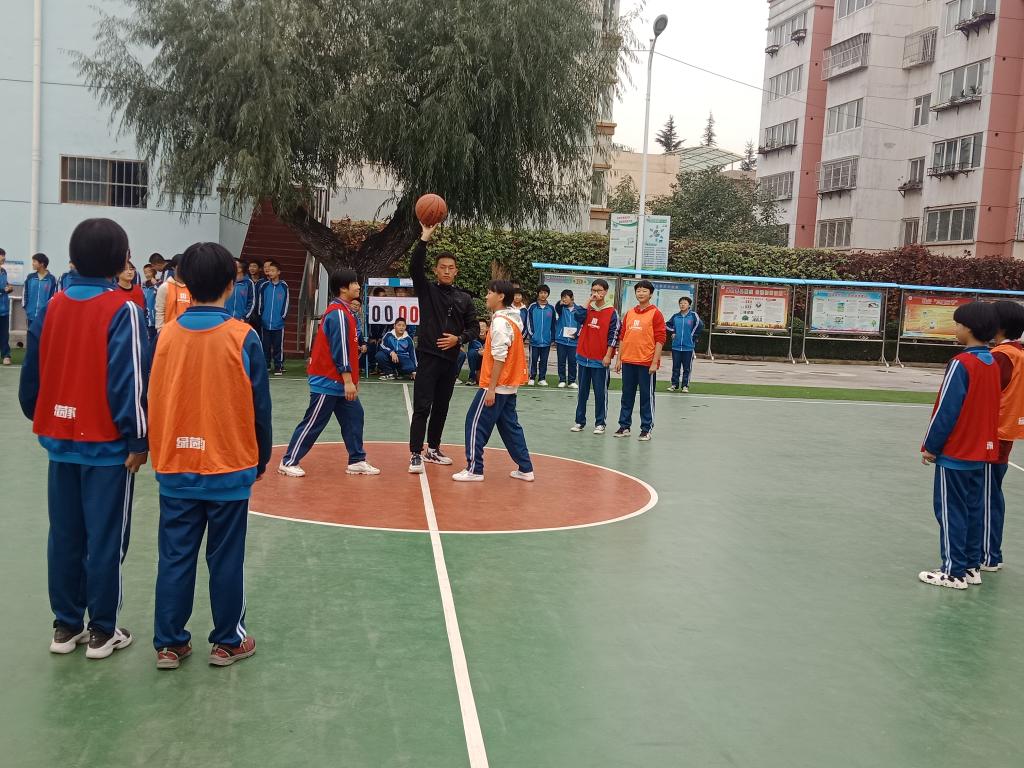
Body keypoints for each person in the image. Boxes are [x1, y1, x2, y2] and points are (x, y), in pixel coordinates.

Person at [18, 218, 150, 658]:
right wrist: (138, 439)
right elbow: (129, 380)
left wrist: (46, 417)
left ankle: (66, 626)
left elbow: (32, 374)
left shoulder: (53, 305)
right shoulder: (123, 309)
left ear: (73, 258)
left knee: (65, 535)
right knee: (106, 538)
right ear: (122, 259)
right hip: (107, 446)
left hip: (61, 443)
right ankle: (103, 630)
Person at [148, 242, 272, 669]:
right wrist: (261, 458)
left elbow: (153, 397)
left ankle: (169, 643)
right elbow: (260, 407)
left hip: (176, 465)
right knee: (226, 557)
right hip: (229, 464)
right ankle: (227, 641)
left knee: (175, 556)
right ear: (230, 283)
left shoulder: (166, 335)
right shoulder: (243, 336)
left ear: (183, 280)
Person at [919, 301, 1001, 590]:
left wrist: (931, 445)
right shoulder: (991, 363)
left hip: (956, 452)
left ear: (968, 328)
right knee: (973, 509)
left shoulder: (961, 363)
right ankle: (970, 567)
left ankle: (952, 572)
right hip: (980, 452)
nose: (955, 329)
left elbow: (946, 409)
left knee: (951, 510)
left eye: (957, 324)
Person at [278, 269, 380, 477]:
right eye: (354, 283)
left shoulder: (346, 312)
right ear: (343, 288)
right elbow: (341, 350)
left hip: (339, 381)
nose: (358, 287)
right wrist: (348, 380)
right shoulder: (339, 314)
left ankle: (356, 460)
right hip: (328, 380)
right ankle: (288, 461)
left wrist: (352, 380)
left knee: (355, 416)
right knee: (314, 422)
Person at [407, 222, 477, 474]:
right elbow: (414, 267)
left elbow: (474, 328)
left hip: (451, 360)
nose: (446, 271)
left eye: (451, 268)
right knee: (422, 406)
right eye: (442, 267)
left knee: (441, 407)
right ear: (436, 270)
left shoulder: (464, 298)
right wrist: (424, 238)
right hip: (428, 357)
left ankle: (433, 449)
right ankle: (416, 454)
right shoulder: (427, 291)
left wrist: (458, 339)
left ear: (456, 271)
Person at [453, 280, 534, 483]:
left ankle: (475, 469)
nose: (486, 296)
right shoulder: (513, 318)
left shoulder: (499, 323)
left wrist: (491, 388)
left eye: (490, 293)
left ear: (501, 296)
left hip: (497, 384)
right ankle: (525, 468)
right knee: (510, 427)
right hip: (509, 384)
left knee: (474, 423)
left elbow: (499, 357)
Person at [983, 300, 1024, 573]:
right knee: (991, 492)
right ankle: (989, 551)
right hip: (1005, 430)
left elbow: (986, 394)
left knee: (987, 495)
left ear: (998, 326)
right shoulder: (1017, 352)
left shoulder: (1002, 356)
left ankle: (989, 554)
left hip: (993, 432)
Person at [613, 280, 666, 442]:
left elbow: (660, 339)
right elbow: (622, 337)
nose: (641, 293)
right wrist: (619, 359)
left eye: (644, 291)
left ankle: (646, 428)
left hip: (646, 363)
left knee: (646, 397)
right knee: (626, 395)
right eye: (638, 291)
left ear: (651, 294)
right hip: (628, 361)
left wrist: (654, 362)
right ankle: (624, 426)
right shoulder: (630, 313)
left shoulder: (655, 313)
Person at [570, 279, 619, 435]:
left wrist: (608, 355)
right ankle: (579, 421)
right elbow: (577, 317)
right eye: (594, 290)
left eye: (599, 290)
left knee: (600, 393)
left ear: (606, 292)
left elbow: (614, 336)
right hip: (583, 357)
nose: (596, 293)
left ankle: (600, 423)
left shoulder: (611, 312)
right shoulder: (587, 308)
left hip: (600, 360)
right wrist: (588, 301)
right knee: (582, 393)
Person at [666, 296, 704, 393]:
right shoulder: (675, 316)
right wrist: (673, 332)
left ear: (689, 305)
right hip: (676, 346)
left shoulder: (693, 315)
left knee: (687, 368)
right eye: (681, 303)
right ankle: (674, 384)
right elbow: (667, 325)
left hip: (688, 347)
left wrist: (692, 336)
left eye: (685, 303)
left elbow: (699, 325)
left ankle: (685, 386)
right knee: (676, 367)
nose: (682, 305)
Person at [257, 260, 289, 375]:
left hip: (278, 323)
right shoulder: (264, 286)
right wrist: (261, 315)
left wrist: (282, 316)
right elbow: (260, 302)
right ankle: (266, 365)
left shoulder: (284, 286)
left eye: (273, 270)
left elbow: (286, 302)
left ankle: (278, 366)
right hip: (265, 323)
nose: (270, 272)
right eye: (269, 271)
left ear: (278, 272)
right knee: (265, 346)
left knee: (277, 346)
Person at [526, 284, 556, 386]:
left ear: (548, 294)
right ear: (538, 294)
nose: (543, 295)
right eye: (541, 293)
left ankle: (542, 378)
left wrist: (552, 337)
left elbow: (553, 324)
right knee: (533, 359)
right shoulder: (532, 307)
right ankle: (532, 377)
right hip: (534, 340)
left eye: (545, 293)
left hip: (546, 341)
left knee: (544, 360)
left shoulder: (551, 308)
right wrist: (532, 334)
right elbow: (528, 321)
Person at [23, 253, 58, 332]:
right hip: (30, 315)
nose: (32, 263)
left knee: (43, 336)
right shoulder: (30, 277)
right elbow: (25, 292)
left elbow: (54, 296)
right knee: (31, 335)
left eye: (34, 261)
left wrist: (49, 311)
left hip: (45, 316)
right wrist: (26, 307)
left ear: (42, 264)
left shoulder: (52, 279)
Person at [155, 256, 192, 332]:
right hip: (169, 332)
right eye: (180, 266)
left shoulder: (192, 288)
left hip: (188, 332)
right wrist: (160, 331)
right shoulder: (165, 287)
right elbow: (160, 311)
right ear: (173, 268)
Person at [553, 289, 579, 389]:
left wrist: (577, 334)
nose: (564, 299)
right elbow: (557, 307)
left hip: (574, 341)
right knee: (561, 361)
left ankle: (572, 381)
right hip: (561, 340)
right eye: (562, 297)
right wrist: (560, 303)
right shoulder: (561, 309)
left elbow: (581, 324)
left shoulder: (578, 310)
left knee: (573, 362)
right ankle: (562, 380)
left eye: (566, 297)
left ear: (572, 298)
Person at [465, 319, 487, 386]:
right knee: (471, 353)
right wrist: (479, 351)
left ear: (487, 328)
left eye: (483, 326)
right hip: (477, 359)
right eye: (479, 327)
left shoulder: (491, 336)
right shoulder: (473, 337)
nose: (481, 328)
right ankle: (472, 377)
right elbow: (472, 349)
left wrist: (486, 351)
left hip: (487, 359)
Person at [0, 248, 12, 365]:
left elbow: (5, 286)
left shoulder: (3, 271)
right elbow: (2, 289)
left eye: (4, 255)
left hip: (4, 309)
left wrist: (9, 288)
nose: (3, 257)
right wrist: (4, 290)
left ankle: (6, 355)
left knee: (4, 334)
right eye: (1, 255)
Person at [141, 265, 158, 340]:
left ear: (154, 272)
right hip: (146, 319)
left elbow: (163, 295)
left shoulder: (159, 283)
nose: (147, 274)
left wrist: (156, 284)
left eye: (149, 272)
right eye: (145, 273)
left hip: (155, 320)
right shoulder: (143, 285)